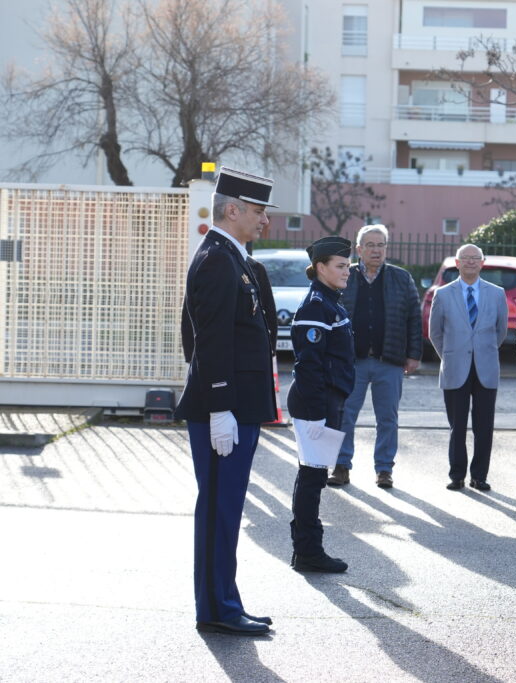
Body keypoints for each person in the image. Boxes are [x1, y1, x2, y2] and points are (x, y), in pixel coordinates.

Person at [174, 167, 277, 636]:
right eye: (257, 212)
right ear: (231, 210)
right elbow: (206, 340)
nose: (264, 221)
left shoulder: (232, 257)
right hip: (225, 411)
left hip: (237, 408)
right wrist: (218, 407)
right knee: (219, 510)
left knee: (227, 509)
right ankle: (217, 608)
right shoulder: (218, 259)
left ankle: (223, 601)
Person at [328, 224, 422, 490]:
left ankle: (384, 470)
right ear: (358, 249)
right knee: (345, 414)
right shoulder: (344, 276)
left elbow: (413, 318)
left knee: (387, 419)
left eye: (381, 245)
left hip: (389, 360)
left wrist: (413, 354)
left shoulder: (401, 278)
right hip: (351, 361)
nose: (376, 250)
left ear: (386, 249)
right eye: (370, 245)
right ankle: (342, 466)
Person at [286, 236, 356, 574]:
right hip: (317, 403)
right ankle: (308, 551)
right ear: (320, 268)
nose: (347, 271)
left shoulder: (329, 300)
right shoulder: (317, 304)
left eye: (348, 266)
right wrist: (316, 414)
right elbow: (308, 364)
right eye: (341, 266)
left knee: (315, 476)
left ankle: (308, 549)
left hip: (327, 401)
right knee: (312, 477)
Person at [428, 244, 508, 491]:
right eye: (466, 258)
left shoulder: (496, 293)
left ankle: (479, 476)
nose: (471, 262)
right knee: (457, 426)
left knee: (484, 427)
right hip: (454, 367)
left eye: (476, 258)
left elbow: (501, 331)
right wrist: (450, 356)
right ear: (458, 263)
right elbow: (435, 333)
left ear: (482, 262)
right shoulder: (443, 294)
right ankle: (457, 475)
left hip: (485, 368)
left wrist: (483, 351)